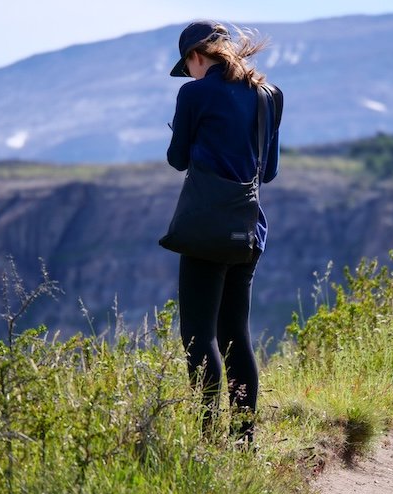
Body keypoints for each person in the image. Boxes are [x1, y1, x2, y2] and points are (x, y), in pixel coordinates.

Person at [166, 20, 282, 445]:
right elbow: (267, 171)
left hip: (205, 230)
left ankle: (208, 438)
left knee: (199, 335)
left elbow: (178, 160)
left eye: (188, 65)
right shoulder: (269, 96)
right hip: (248, 231)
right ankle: (242, 440)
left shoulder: (193, 94)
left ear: (196, 56)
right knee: (237, 333)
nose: (189, 73)